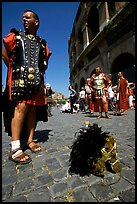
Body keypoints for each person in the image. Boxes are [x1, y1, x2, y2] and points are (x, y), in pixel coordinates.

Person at [2, 10, 52, 164]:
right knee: (21, 108)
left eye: (28, 17)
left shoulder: (42, 43)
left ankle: (30, 140)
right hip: (20, 79)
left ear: (36, 22)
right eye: (23, 17)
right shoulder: (15, 36)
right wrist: (13, 69)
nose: (24, 19)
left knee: (32, 110)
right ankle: (16, 147)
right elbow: (4, 54)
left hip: (37, 81)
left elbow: (44, 63)